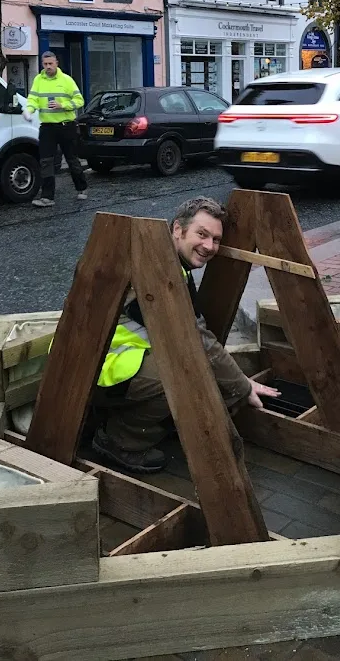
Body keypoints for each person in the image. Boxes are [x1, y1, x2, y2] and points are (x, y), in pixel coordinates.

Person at [90, 196, 280, 474]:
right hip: (103, 369)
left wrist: (235, 384)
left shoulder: (168, 261)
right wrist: (242, 386)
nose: (209, 246)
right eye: (201, 234)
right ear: (177, 229)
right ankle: (120, 441)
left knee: (200, 373)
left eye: (215, 239)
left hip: (113, 363)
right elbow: (198, 341)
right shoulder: (158, 271)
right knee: (183, 377)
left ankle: (145, 422)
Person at [24, 51, 87, 207]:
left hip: (67, 126)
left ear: (56, 63)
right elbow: (33, 99)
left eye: (50, 64)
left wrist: (62, 105)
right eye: (45, 64)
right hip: (47, 128)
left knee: (72, 159)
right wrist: (28, 110)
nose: (48, 67)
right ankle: (47, 197)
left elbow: (80, 100)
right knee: (46, 162)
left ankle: (82, 188)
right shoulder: (39, 80)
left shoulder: (67, 80)